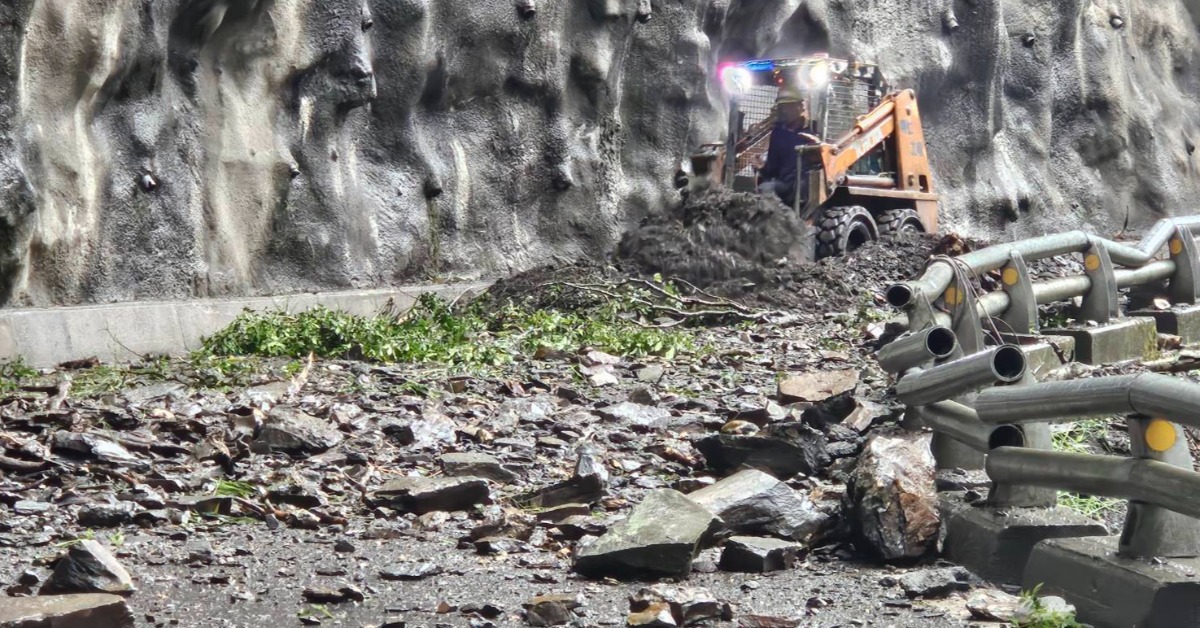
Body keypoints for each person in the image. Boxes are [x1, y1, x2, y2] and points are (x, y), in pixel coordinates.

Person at [756, 87, 820, 207]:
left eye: (788, 107)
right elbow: (773, 167)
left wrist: (817, 146)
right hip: (784, 183)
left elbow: (820, 164)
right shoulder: (778, 133)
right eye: (782, 107)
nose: (784, 111)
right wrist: (762, 167)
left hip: (805, 184)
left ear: (799, 107)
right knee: (765, 188)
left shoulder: (811, 132)